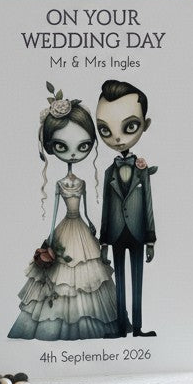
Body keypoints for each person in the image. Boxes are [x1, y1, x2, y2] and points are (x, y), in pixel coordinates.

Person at [8, 89, 123, 340]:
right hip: (65, 227)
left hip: (80, 226)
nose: (72, 154)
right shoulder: (60, 183)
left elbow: (85, 210)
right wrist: (49, 236)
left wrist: (92, 226)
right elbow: (54, 211)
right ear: (50, 146)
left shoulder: (81, 181)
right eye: (61, 145)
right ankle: (57, 324)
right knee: (63, 276)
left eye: (83, 146)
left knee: (86, 275)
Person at [96, 79, 157, 337]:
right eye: (105, 130)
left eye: (130, 126)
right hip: (117, 234)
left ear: (145, 125)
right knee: (118, 281)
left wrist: (151, 239)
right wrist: (103, 242)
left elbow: (149, 205)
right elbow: (106, 208)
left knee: (138, 282)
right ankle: (121, 326)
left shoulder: (143, 172)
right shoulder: (109, 171)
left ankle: (139, 328)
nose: (118, 137)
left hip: (138, 232)